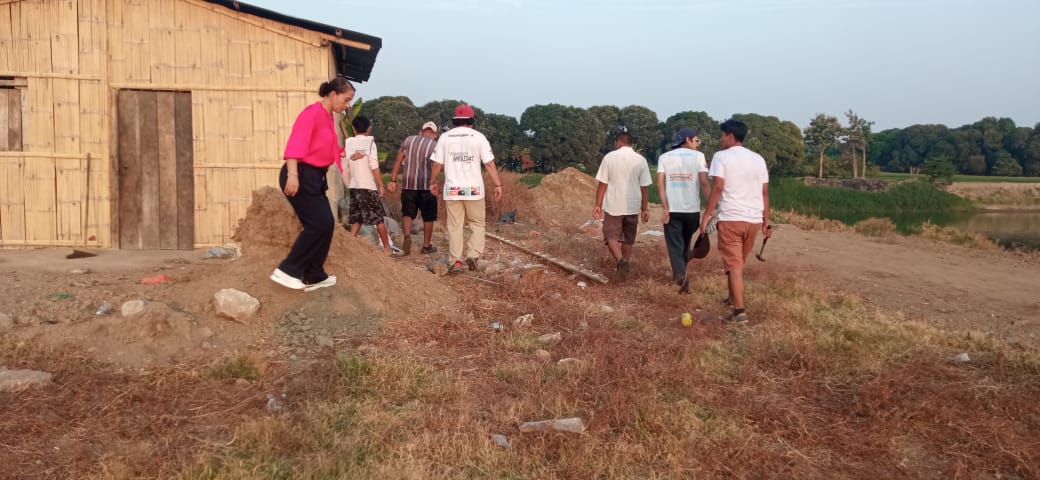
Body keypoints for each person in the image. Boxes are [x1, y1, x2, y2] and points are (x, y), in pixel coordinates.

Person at [271, 76, 354, 292]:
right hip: (300, 173)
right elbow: (295, 143)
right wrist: (293, 175)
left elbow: (325, 149)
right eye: (346, 100)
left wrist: (346, 154)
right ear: (333, 94)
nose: (347, 105)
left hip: (315, 176)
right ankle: (288, 271)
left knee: (326, 224)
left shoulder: (328, 117)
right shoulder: (312, 113)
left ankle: (313, 274)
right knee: (317, 224)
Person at [699, 119, 771, 322]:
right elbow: (764, 192)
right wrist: (766, 221)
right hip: (753, 220)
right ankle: (732, 298)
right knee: (737, 262)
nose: (721, 139)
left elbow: (718, 187)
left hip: (731, 217)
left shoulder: (721, 157)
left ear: (730, 135)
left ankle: (739, 312)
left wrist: (707, 215)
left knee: (735, 264)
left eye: (723, 135)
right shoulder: (758, 159)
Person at [429, 104, 504, 273]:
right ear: (471, 120)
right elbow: (489, 164)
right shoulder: (479, 137)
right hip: (474, 190)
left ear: (455, 120)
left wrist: (432, 182)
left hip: (453, 190)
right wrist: (497, 184)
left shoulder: (445, 138)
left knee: (455, 226)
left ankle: (455, 261)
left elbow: (437, 164)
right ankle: (473, 255)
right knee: (477, 224)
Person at [657, 127, 712, 294]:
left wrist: (665, 207)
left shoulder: (664, 157)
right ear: (687, 139)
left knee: (675, 246)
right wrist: (712, 207)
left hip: (673, 210)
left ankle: (681, 277)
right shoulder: (699, 157)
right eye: (697, 140)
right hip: (692, 211)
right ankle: (681, 275)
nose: (698, 144)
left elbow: (660, 184)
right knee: (684, 243)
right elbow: (704, 183)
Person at [592, 132, 652, 280]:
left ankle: (620, 261)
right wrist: (644, 208)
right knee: (628, 238)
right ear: (630, 143)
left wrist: (597, 205)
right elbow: (644, 187)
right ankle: (624, 265)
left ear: (619, 142)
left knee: (610, 235)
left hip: (614, 204)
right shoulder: (641, 160)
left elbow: (603, 183)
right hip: (633, 205)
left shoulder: (610, 157)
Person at [342, 115, 396, 256]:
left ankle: (350, 247)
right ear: (369, 129)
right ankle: (387, 249)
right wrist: (381, 185)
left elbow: (345, 168)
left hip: (354, 187)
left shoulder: (348, 143)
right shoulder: (370, 143)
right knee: (378, 218)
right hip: (367, 187)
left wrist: (349, 184)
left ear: (353, 128)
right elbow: (374, 166)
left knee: (357, 218)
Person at [387, 121, 440, 255]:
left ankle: (407, 236)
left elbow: (399, 160)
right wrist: (434, 182)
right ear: (435, 134)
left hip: (408, 184)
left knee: (407, 213)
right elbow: (436, 165)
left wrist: (393, 180)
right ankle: (426, 246)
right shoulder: (435, 146)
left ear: (421, 131)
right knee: (428, 216)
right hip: (426, 186)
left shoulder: (409, 140)